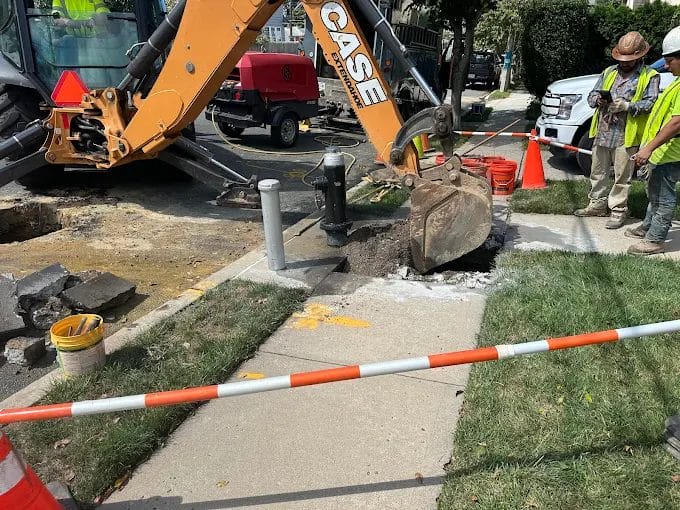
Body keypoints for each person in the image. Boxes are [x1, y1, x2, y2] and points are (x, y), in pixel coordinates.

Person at [574, 32, 660, 230]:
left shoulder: (649, 76)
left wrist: (627, 106)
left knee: (622, 176)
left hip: (625, 134)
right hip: (603, 130)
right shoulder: (609, 72)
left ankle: (618, 210)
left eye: (629, 60)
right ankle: (597, 204)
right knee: (597, 171)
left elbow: (650, 103)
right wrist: (598, 100)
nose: (625, 63)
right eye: (622, 59)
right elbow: (592, 95)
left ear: (640, 56)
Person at [628, 26, 680, 255]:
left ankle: (655, 240)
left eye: (670, 61)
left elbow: (676, 123)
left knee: (664, 197)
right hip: (663, 151)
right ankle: (648, 227)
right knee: (655, 191)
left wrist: (648, 148)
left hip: (671, 153)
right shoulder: (678, 83)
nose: (666, 66)